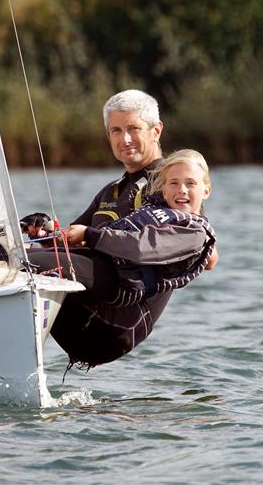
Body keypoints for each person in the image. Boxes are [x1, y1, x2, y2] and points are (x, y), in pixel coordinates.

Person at [23, 91, 216, 370]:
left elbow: (208, 253)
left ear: (156, 131)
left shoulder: (169, 181)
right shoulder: (111, 192)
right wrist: (45, 232)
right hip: (86, 316)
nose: (124, 139)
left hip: (120, 320)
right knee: (25, 257)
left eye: (134, 129)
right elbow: (71, 244)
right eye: (116, 130)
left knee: (21, 261)